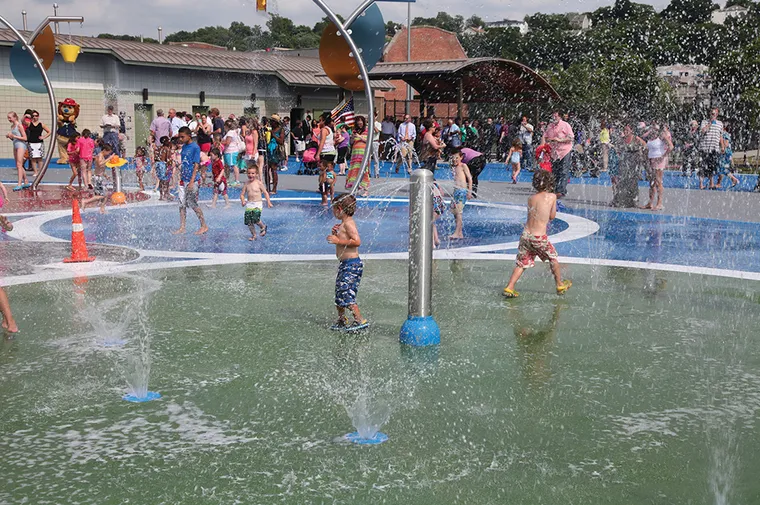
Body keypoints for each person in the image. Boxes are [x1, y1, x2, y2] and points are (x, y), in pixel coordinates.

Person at [503, 170, 573, 298]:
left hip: (526, 235)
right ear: (550, 184)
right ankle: (559, 284)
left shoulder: (530, 198)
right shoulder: (552, 196)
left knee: (522, 263)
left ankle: (510, 286)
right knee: (553, 258)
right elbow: (552, 216)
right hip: (538, 237)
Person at [327, 194, 368, 332]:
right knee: (339, 293)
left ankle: (359, 320)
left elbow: (357, 241)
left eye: (333, 209)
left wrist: (338, 241)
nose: (333, 212)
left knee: (347, 293)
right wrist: (337, 235)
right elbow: (346, 239)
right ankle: (341, 319)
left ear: (339, 209)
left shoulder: (349, 223)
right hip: (345, 265)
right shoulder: (343, 224)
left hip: (352, 265)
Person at [173, 126, 208, 235]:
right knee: (181, 204)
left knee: (192, 203)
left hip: (192, 180)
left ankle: (204, 225)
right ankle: (182, 227)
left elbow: (196, 164)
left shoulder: (195, 147)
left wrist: (192, 181)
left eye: (182, 137)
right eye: (179, 137)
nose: (180, 139)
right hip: (183, 179)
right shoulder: (184, 147)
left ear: (189, 135)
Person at [612, 124, 646, 208]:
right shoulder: (622, 139)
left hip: (634, 163)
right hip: (624, 162)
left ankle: (634, 201)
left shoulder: (635, 138)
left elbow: (645, 145)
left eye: (627, 130)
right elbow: (618, 149)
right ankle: (622, 200)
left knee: (633, 182)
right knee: (623, 181)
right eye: (625, 130)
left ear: (631, 130)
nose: (625, 131)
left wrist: (640, 153)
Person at [543, 110, 574, 200]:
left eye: (556, 116)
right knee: (555, 171)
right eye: (553, 116)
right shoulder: (550, 126)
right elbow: (546, 137)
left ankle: (561, 190)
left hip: (565, 150)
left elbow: (571, 137)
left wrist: (560, 140)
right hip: (555, 152)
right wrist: (549, 140)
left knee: (564, 171)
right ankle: (555, 189)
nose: (554, 118)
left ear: (560, 117)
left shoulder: (565, 125)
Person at [642, 124, 673, 211]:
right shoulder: (651, 137)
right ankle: (650, 203)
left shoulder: (662, 136)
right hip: (651, 161)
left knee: (658, 182)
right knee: (652, 182)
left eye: (655, 127)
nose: (653, 129)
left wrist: (663, 156)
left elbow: (671, 146)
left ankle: (659, 203)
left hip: (659, 161)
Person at [241, 164, 272, 240]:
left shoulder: (259, 183)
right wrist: (243, 201)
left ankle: (263, 226)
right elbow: (242, 194)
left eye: (252, 173)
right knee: (249, 221)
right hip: (249, 204)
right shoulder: (246, 183)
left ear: (256, 174)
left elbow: (265, 192)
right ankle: (254, 235)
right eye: (249, 173)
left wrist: (268, 202)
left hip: (257, 203)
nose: (250, 175)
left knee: (255, 218)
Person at [449, 148, 473, 240]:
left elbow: (469, 179)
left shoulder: (463, 166)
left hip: (462, 192)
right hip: (456, 192)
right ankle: (460, 232)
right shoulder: (454, 167)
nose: (455, 160)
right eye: (453, 158)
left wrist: (469, 191)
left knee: (458, 212)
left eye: (456, 158)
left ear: (461, 157)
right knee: (455, 212)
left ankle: (456, 232)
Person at [81, 144, 112, 214]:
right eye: (108, 152)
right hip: (97, 178)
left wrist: (106, 175)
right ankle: (85, 201)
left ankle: (102, 208)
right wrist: (109, 159)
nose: (108, 154)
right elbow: (100, 164)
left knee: (105, 194)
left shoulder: (102, 156)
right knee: (102, 195)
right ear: (104, 150)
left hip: (99, 177)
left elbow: (100, 169)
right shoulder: (99, 156)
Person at [345, 116, 370, 197]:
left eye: (361, 121)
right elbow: (352, 142)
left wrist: (359, 136)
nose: (359, 123)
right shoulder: (355, 130)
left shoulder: (367, 130)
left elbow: (368, 140)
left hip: (363, 153)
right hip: (355, 152)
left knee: (364, 171)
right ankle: (356, 188)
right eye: (358, 121)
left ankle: (366, 189)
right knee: (355, 170)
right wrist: (352, 137)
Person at [699, 107, 723, 190]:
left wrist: (722, 146)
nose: (713, 115)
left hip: (714, 148)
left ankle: (711, 183)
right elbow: (703, 131)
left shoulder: (720, 123)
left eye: (715, 114)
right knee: (702, 167)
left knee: (712, 167)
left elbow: (720, 136)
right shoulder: (704, 122)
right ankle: (701, 184)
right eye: (712, 113)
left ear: (717, 114)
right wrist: (709, 124)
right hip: (705, 148)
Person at [316, 113, 337, 205]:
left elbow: (322, 142)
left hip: (325, 152)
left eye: (320, 120)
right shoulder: (330, 129)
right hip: (331, 152)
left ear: (324, 121)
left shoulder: (324, 130)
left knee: (323, 176)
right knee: (330, 173)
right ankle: (332, 196)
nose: (318, 122)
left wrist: (318, 154)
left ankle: (324, 198)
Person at [7, 112, 29, 191]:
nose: (9, 119)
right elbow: (14, 138)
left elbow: (25, 138)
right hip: (15, 145)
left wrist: (14, 136)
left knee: (19, 164)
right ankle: (26, 181)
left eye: (10, 117)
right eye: (8, 118)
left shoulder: (19, 126)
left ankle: (19, 183)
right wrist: (10, 137)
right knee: (18, 165)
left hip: (21, 145)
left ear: (15, 117)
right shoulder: (12, 126)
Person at [25, 110, 50, 178]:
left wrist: (44, 137)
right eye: (33, 116)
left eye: (36, 116)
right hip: (31, 142)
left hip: (39, 142)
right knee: (33, 158)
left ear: (38, 116)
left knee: (40, 158)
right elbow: (22, 121)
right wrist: (25, 116)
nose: (35, 117)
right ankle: (35, 172)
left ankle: (40, 171)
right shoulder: (29, 123)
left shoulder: (41, 124)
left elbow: (49, 131)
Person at [267, 114, 286, 194]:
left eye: (272, 121)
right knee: (266, 169)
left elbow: (281, 141)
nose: (270, 123)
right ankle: (267, 188)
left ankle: (274, 189)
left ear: (276, 122)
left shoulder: (281, 130)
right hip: (269, 150)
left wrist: (273, 135)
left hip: (275, 151)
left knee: (273, 169)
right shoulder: (270, 129)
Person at [717, 123, 740, 188]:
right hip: (727, 153)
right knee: (722, 168)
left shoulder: (725, 134)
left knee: (722, 168)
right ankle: (720, 183)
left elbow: (726, 144)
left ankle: (734, 179)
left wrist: (721, 144)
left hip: (725, 153)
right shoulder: (726, 134)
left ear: (724, 128)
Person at [154, 136, 172, 201]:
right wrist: (168, 168)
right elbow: (168, 159)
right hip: (164, 165)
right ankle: (165, 195)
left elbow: (155, 158)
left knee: (161, 181)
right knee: (166, 182)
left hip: (158, 165)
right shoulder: (167, 149)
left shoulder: (158, 148)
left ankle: (161, 196)